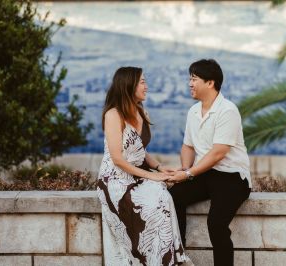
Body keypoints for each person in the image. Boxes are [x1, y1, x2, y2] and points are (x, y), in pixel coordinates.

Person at [97, 67, 189, 266]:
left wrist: (158, 168)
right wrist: (152, 177)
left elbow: (140, 149)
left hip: (137, 176)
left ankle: (164, 258)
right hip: (115, 181)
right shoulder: (113, 115)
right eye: (142, 83)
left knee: (163, 196)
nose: (146, 87)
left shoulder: (141, 111)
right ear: (129, 85)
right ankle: (147, 259)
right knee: (155, 200)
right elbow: (118, 159)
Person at [168, 59, 252, 266]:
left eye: (194, 79)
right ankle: (179, 256)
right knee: (173, 197)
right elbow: (188, 146)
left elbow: (218, 153)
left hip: (232, 177)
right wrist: (185, 170)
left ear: (210, 83)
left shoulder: (227, 110)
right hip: (205, 174)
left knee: (216, 224)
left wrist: (188, 174)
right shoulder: (193, 111)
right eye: (190, 78)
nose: (190, 83)